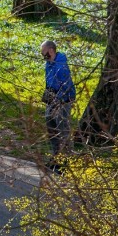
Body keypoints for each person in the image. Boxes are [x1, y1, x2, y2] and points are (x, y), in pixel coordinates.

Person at [40, 40, 76, 173]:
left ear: (50, 50)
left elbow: (66, 86)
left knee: (63, 130)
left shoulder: (61, 65)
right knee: (51, 129)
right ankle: (56, 156)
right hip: (52, 99)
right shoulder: (48, 64)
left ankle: (66, 160)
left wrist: (57, 99)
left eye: (43, 52)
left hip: (62, 100)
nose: (42, 55)